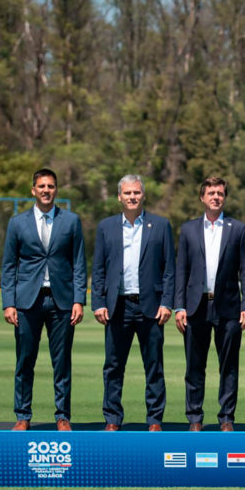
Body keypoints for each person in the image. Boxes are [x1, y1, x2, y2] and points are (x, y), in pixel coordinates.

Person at [0, 168, 87, 431]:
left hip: (62, 302)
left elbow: (79, 263)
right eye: (41, 186)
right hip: (27, 302)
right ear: (33, 190)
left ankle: (62, 416)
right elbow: (8, 266)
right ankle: (23, 415)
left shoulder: (71, 221)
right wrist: (8, 302)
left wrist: (79, 299)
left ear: (56, 189)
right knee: (25, 360)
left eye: (50, 186)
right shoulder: (17, 223)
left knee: (61, 362)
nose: (46, 190)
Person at [91, 175, 175, 432]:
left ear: (143, 195)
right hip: (117, 307)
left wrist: (167, 303)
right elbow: (99, 268)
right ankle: (113, 418)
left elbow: (169, 269)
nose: (132, 197)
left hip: (150, 307)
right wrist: (98, 302)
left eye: (136, 193)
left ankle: (154, 420)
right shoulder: (106, 227)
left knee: (154, 367)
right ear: (119, 196)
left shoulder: (160, 226)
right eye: (127, 193)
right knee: (114, 366)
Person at [174, 177, 245, 432]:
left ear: (225, 197)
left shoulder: (238, 229)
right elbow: (181, 271)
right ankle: (195, 418)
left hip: (229, 307)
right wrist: (179, 307)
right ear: (202, 197)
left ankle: (226, 417)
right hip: (195, 307)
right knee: (194, 366)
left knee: (229, 365)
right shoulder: (188, 230)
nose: (215, 197)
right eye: (211, 193)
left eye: (220, 193)